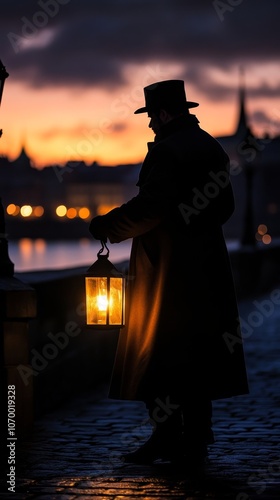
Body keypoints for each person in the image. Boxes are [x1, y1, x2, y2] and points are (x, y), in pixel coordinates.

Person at [89, 79, 249, 470]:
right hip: (206, 269)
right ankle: (195, 440)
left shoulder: (168, 150)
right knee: (197, 357)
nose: (149, 126)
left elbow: (150, 207)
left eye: (150, 118)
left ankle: (165, 435)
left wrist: (106, 225)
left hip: (167, 273)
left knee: (154, 355)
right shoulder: (210, 146)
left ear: (162, 114)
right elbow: (225, 207)